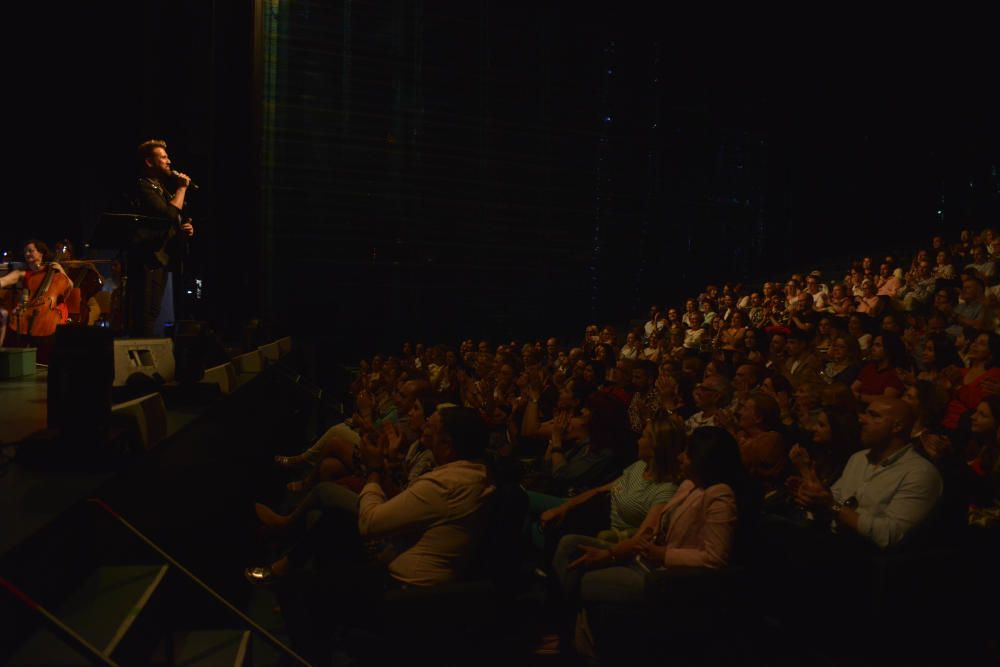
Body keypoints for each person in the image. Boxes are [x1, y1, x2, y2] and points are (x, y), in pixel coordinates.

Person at [790, 397, 942, 549]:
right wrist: (814, 495)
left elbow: (890, 535)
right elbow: (835, 498)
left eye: (874, 415)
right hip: (832, 544)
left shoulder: (920, 473)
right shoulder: (859, 458)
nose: (861, 419)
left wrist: (832, 506)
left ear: (897, 426)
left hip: (870, 562)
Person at [129, 139, 196, 337]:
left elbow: (173, 218)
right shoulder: (144, 187)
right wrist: (182, 188)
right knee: (144, 313)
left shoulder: (161, 189)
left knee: (153, 311)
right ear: (149, 162)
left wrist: (185, 227)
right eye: (163, 157)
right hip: (146, 259)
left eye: (168, 157)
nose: (169, 161)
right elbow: (167, 214)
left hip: (160, 258)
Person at [0, 240, 73, 351]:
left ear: (41, 253)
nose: (27, 254)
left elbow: (70, 286)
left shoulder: (52, 271)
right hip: (30, 309)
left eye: (30, 251)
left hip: (50, 310)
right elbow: (3, 281)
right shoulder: (22, 273)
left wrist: (61, 271)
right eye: (25, 252)